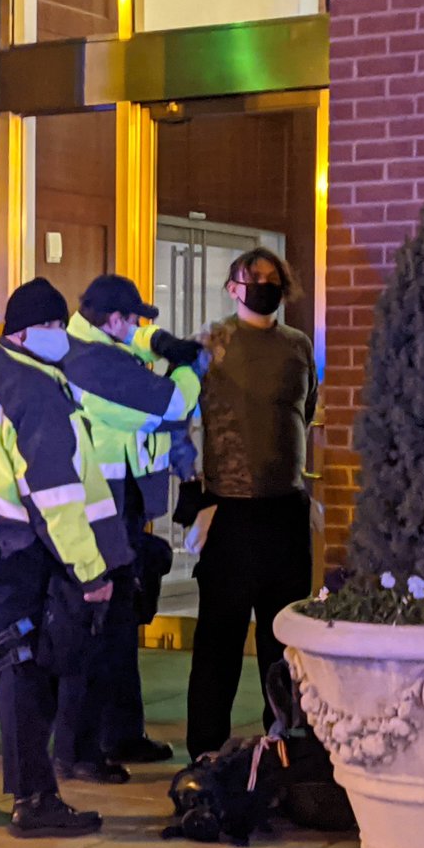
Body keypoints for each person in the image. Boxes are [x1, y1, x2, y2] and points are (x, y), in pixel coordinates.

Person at [0, 277, 131, 838]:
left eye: (62, 324)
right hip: (13, 552)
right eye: (51, 325)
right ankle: (34, 799)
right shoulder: (33, 391)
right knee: (23, 668)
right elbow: (56, 499)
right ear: (21, 332)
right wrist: (91, 573)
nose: (60, 334)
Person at [54, 275, 202, 784]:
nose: (139, 326)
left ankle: (119, 733)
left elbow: (136, 347)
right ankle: (87, 746)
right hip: (102, 512)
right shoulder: (96, 363)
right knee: (100, 628)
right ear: (112, 319)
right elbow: (172, 404)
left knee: (118, 624)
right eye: (134, 319)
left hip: (118, 507)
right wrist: (186, 368)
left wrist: (158, 341)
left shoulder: (95, 346)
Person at [185, 247, 318, 760]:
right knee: (219, 637)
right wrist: (195, 499)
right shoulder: (212, 342)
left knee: (283, 639)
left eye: (271, 278)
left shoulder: (298, 346)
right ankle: (206, 748)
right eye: (253, 277)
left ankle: (284, 742)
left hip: (285, 508)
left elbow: (303, 412)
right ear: (233, 286)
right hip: (229, 508)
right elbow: (180, 415)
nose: (264, 285)